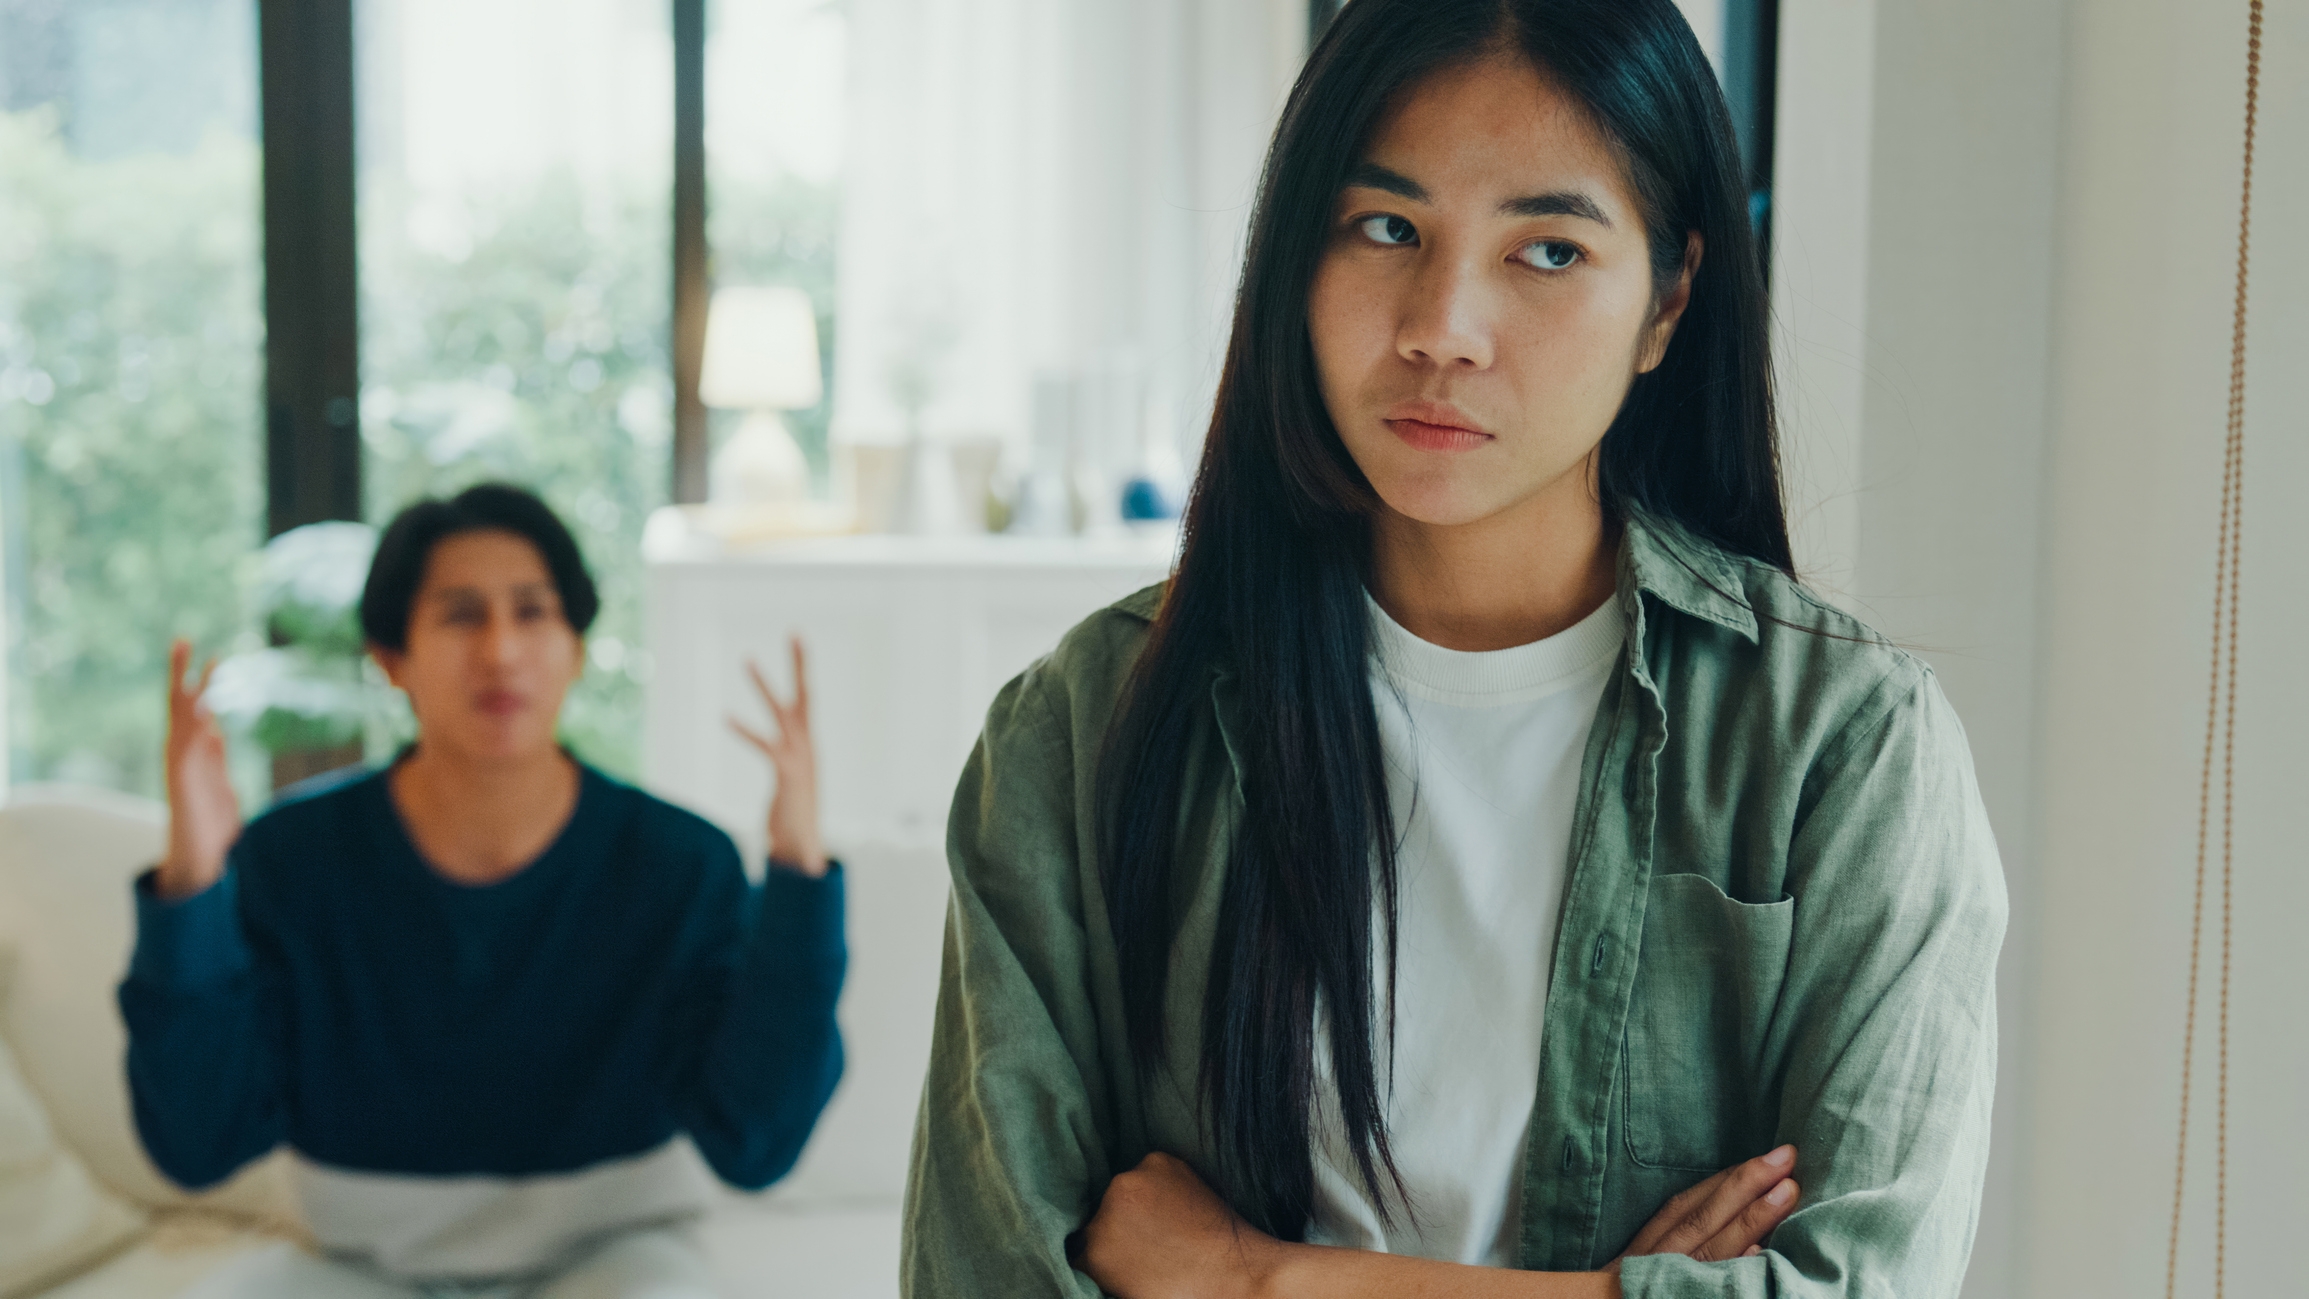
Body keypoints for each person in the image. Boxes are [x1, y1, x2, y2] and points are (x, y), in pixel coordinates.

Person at [902, 1, 2006, 1296]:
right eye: (1385, 228)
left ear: (1667, 302)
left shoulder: (1844, 744)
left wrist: (1256, 1277)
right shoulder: (1083, 726)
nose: (1442, 324)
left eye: (1545, 249)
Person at [121, 483, 844, 1297]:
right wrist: (193, 887)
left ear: (574, 646)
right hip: (351, 1261)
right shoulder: (292, 857)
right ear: (391, 660)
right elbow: (196, 1143)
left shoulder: (682, 863)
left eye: (533, 612)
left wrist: (798, 874)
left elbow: (758, 1144)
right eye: (461, 615)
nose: (501, 650)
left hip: (615, 1255)